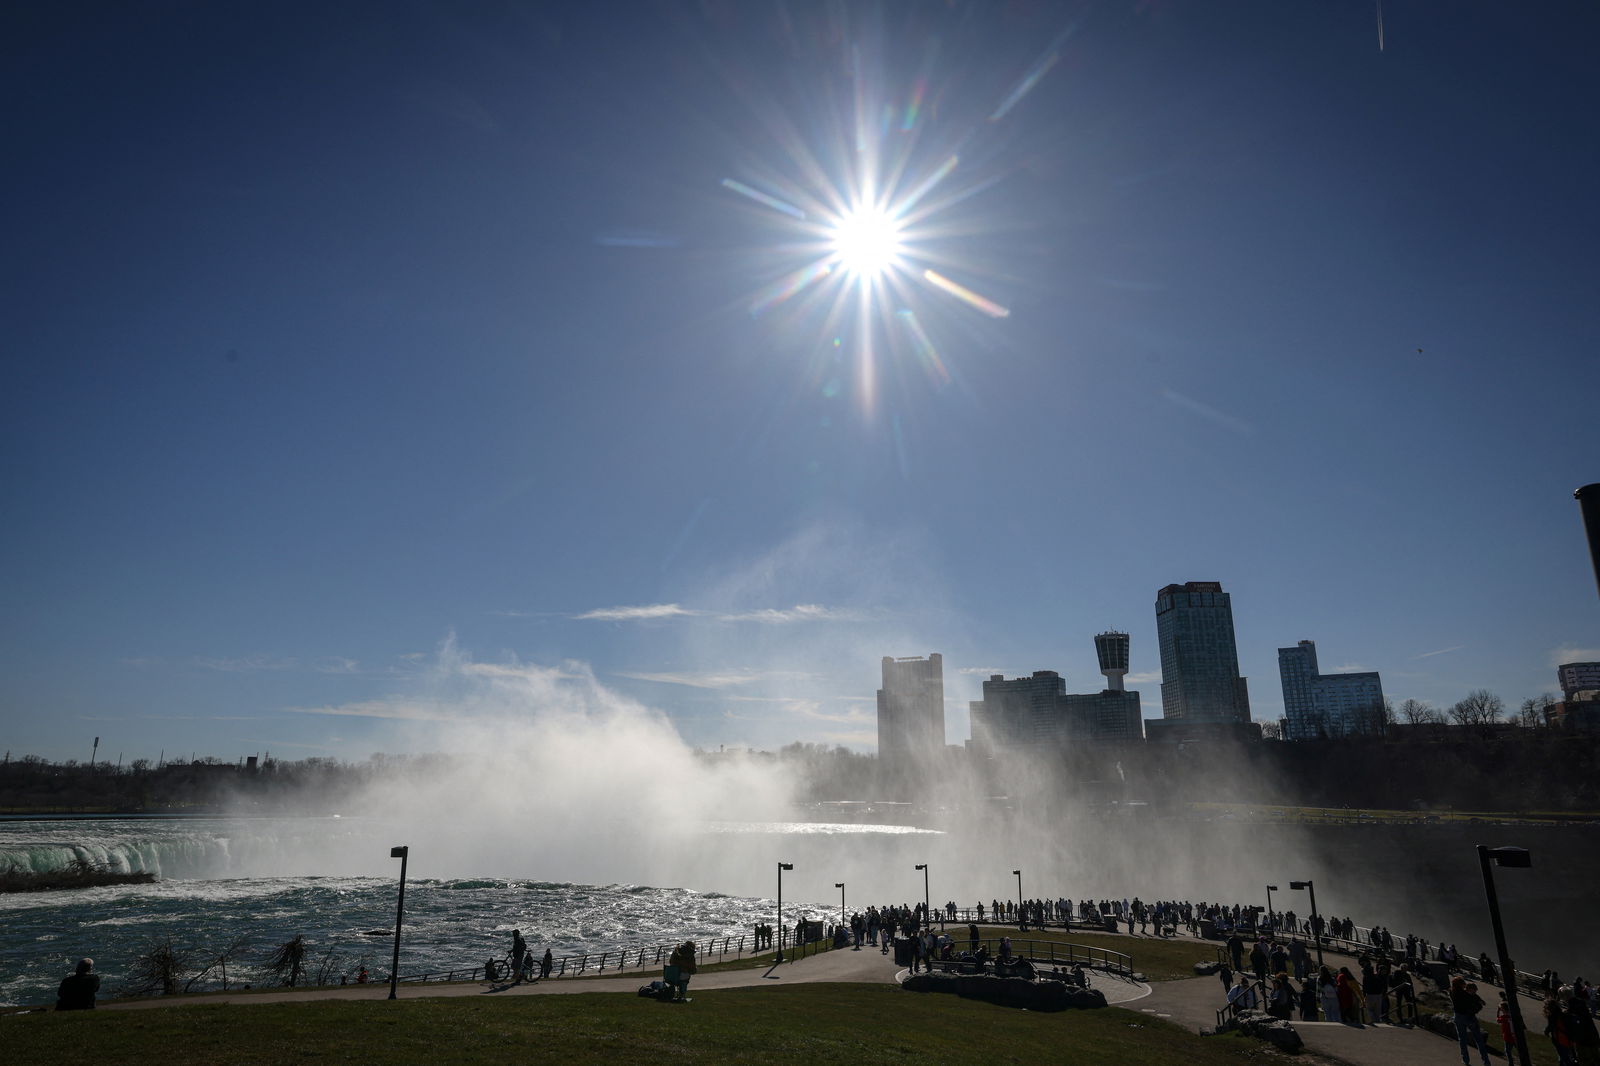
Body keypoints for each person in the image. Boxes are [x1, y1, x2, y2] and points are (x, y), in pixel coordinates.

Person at [1452, 977, 1492, 1066]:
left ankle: (1465, 1060)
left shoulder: (1453, 993)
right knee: (1479, 1040)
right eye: (1463, 983)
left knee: (1462, 1040)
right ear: (1461, 984)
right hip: (1469, 1018)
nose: (1465, 984)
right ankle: (1486, 1062)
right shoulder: (1467, 995)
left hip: (1458, 1017)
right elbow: (1476, 1000)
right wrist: (1479, 1005)